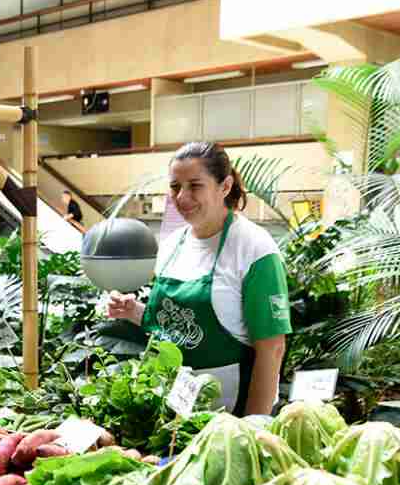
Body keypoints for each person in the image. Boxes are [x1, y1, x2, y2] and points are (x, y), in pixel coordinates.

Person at [107, 142, 290, 415]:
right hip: (171, 405)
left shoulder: (254, 248)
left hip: (228, 414)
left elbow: (272, 347)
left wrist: (253, 425)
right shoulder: (172, 244)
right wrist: (135, 312)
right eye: (175, 187)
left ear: (225, 186)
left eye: (195, 186)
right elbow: (175, 323)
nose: (182, 197)